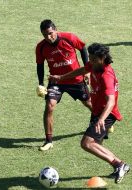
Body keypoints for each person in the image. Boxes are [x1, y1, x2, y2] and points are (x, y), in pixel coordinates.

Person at [49, 43, 130, 184]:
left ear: (102, 58)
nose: (90, 61)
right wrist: (61, 78)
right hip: (98, 111)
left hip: (106, 113)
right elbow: (81, 70)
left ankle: (119, 164)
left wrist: (101, 120)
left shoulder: (106, 76)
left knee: (87, 143)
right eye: (90, 58)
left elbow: (111, 102)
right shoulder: (93, 65)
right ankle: (119, 165)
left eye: (93, 59)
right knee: (96, 144)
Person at [35, 19, 92, 151]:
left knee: (89, 103)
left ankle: (104, 121)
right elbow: (39, 65)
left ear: (55, 29)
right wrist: (40, 84)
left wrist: (87, 70)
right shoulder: (41, 47)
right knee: (49, 106)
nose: (48, 38)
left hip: (76, 79)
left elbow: (83, 48)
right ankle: (48, 140)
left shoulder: (69, 38)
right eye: (45, 35)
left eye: (50, 33)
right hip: (56, 82)